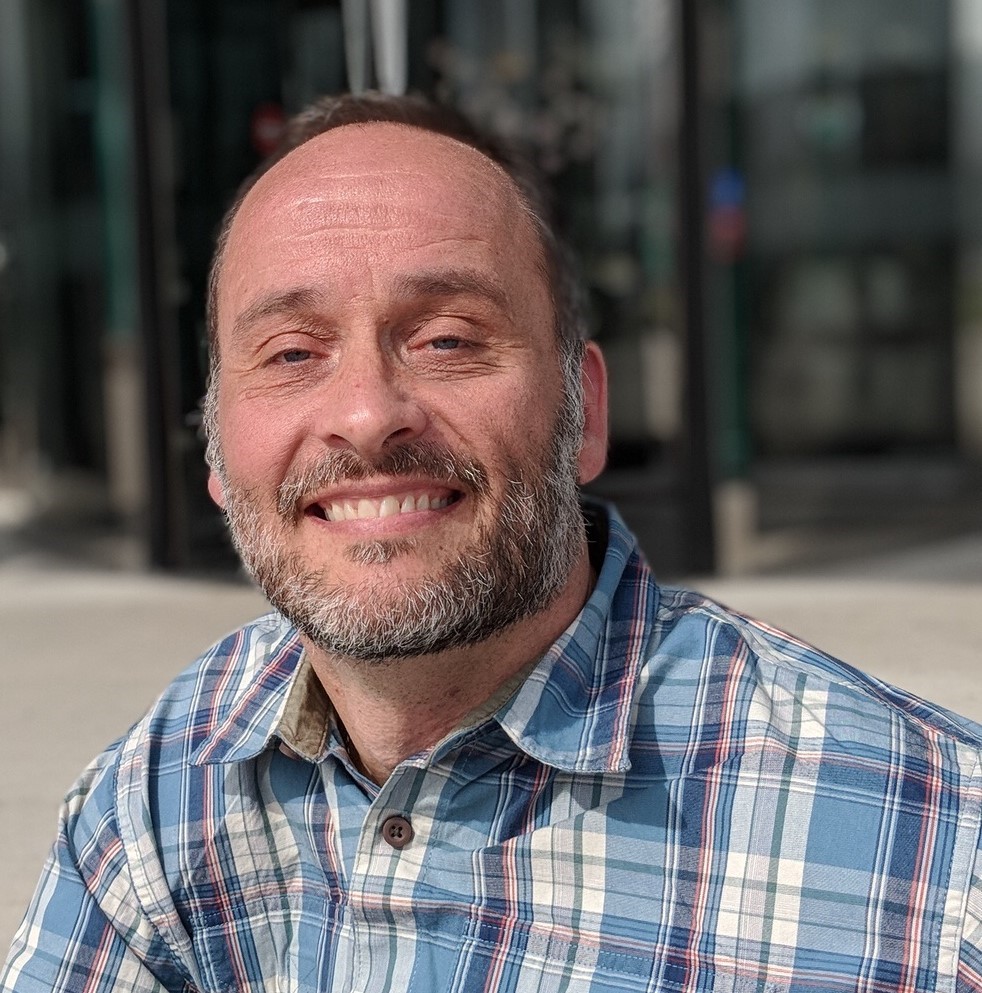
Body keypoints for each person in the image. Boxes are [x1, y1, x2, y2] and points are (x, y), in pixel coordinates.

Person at [3, 91, 982, 993]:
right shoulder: (163, 788)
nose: (366, 414)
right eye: (292, 354)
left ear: (584, 413)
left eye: (447, 340)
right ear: (218, 452)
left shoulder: (931, 855)